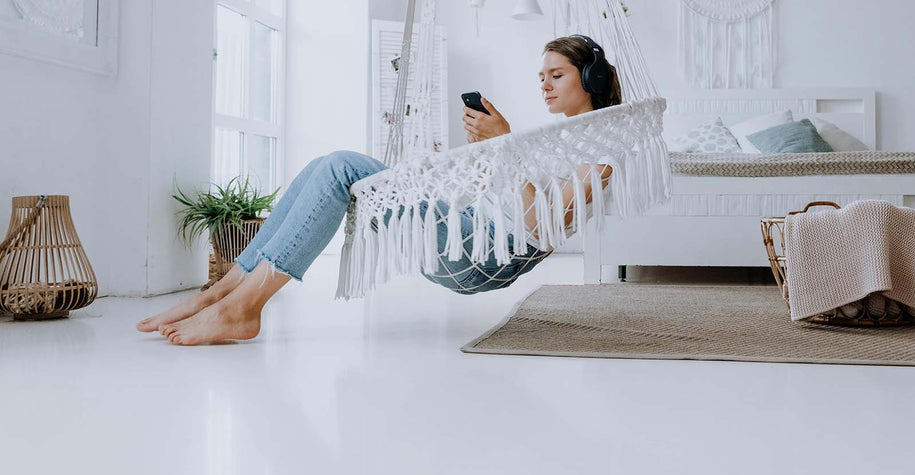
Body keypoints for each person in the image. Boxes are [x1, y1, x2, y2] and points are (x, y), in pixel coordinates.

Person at [137, 35, 623, 345]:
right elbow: (499, 191)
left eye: (556, 75)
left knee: (341, 168)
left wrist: (506, 145)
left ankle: (243, 309)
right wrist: (489, 151)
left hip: (483, 254)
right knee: (323, 166)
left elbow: (539, 225)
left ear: (592, 79)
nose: (545, 85)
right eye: (541, 77)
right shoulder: (559, 139)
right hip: (466, 228)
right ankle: (220, 293)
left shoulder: (600, 157)